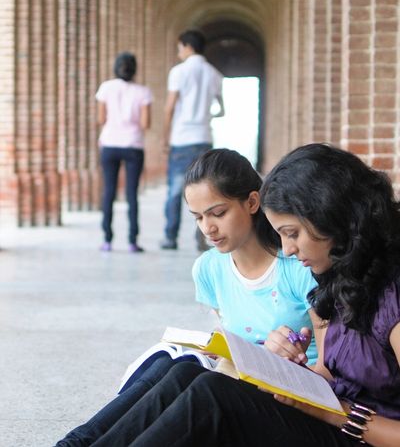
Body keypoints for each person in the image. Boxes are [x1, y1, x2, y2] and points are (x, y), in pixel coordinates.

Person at [74, 143, 400, 446]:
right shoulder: (342, 278)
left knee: (213, 397)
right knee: (187, 373)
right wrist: (286, 369)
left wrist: (333, 411)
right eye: (282, 235)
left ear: (334, 217)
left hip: (358, 435)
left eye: (292, 233)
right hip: (332, 418)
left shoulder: (393, 300)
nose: (287, 248)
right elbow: (331, 373)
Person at [55, 148, 318, 446]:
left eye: (218, 213)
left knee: (196, 382)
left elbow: (331, 363)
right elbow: (233, 338)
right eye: (198, 218)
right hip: (240, 377)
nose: (209, 228)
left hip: (286, 393)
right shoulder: (209, 268)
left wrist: (283, 357)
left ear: (252, 201)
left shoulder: (299, 267)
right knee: (175, 366)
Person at [160, 29, 224, 251]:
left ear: (188, 47)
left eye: (179, 48)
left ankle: (170, 236)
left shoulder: (179, 72)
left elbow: (169, 108)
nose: (179, 53)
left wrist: (165, 138)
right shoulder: (214, 74)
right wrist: (206, 115)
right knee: (205, 191)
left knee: (175, 191)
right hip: (204, 138)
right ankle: (202, 235)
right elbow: (221, 110)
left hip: (182, 138)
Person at [96, 52, 152, 253]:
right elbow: (146, 123)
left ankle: (107, 240)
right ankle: (132, 241)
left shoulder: (106, 88)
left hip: (109, 144)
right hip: (133, 145)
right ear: (134, 69)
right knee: (131, 194)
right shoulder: (143, 92)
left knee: (109, 191)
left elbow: (101, 119)